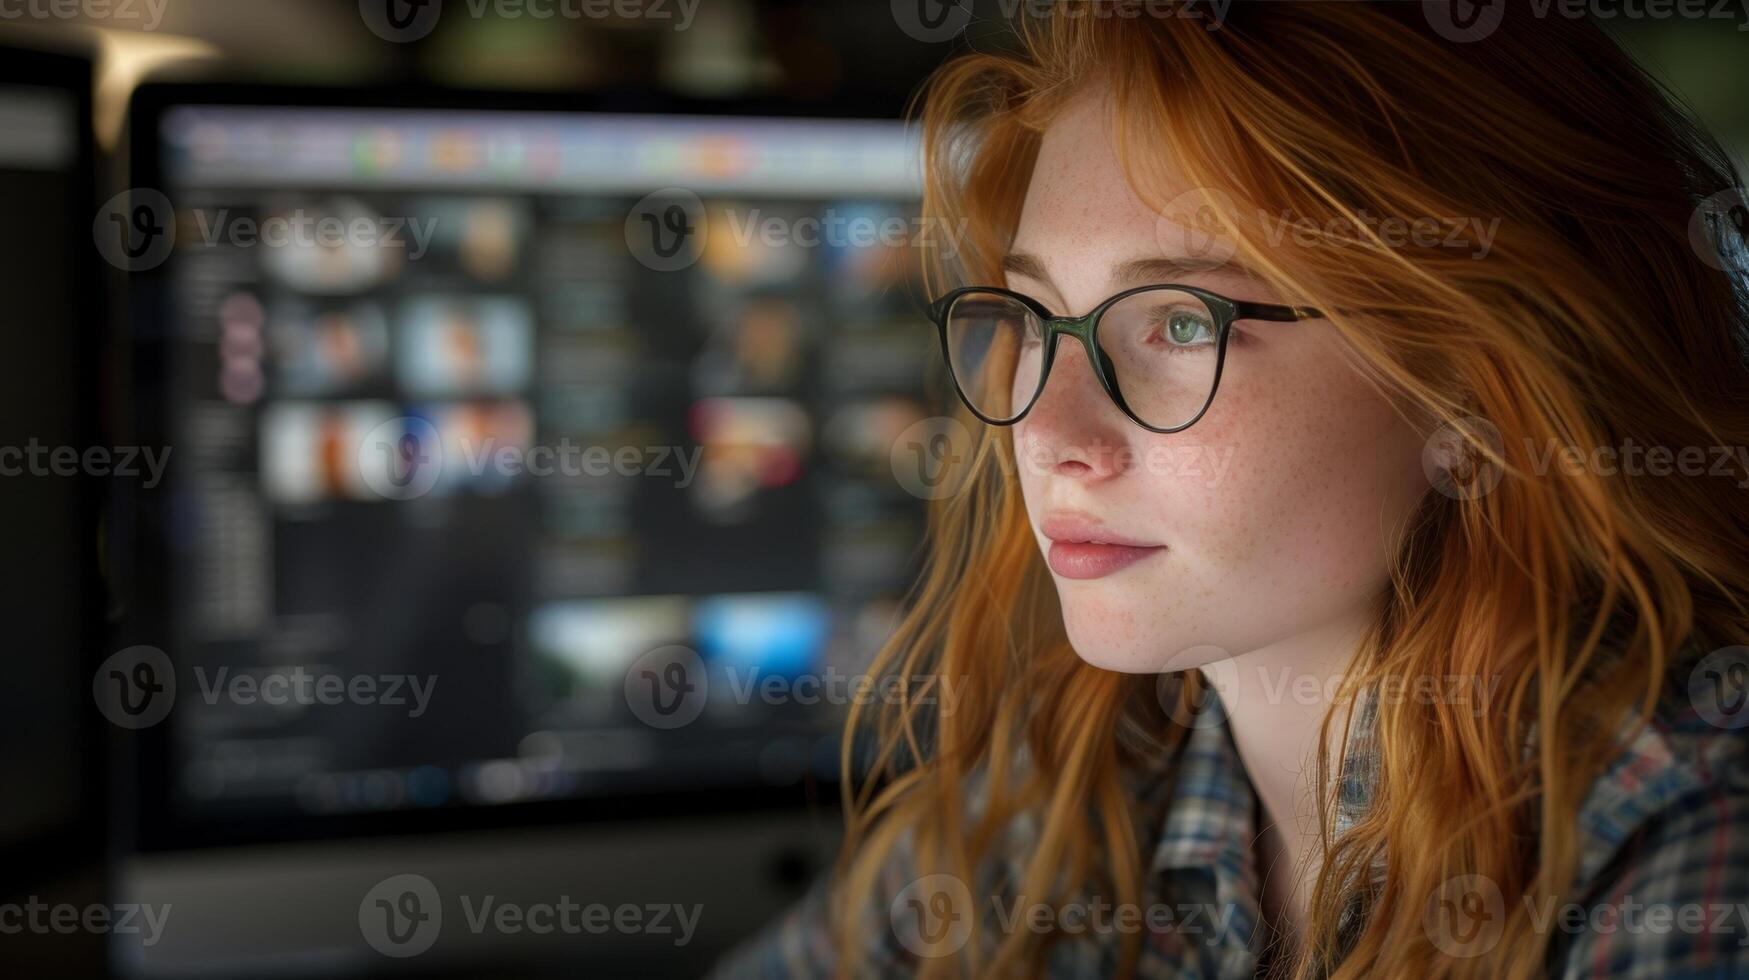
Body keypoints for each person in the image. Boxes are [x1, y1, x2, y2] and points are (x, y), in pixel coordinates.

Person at [712, 2, 1749, 976]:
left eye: (1179, 322)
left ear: (1478, 391)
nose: (1049, 430)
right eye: (1036, 317)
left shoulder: (1686, 833)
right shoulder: (1086, 774)